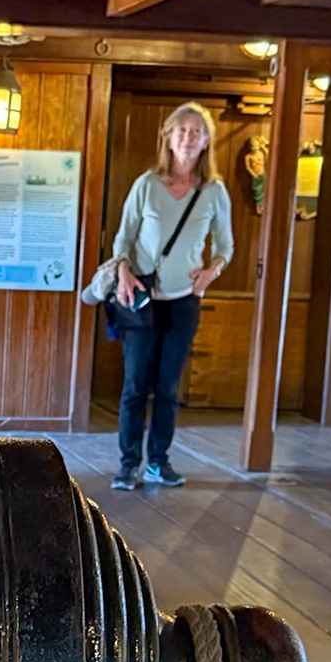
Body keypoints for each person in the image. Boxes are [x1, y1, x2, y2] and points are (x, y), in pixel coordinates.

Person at [108, 102, 234, 490]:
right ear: (169, 136)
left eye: (197, 131)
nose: (188, 137)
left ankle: (158, 462)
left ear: (207, 141)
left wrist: (212, 270)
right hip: (141, 299)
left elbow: (226, 245)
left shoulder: (214, 191)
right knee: (134, 385)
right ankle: (128, 464)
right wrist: (123, 269)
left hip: (183, 301)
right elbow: (123, 238)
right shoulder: (146, 185)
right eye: (182, 129)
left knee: (167, 387)